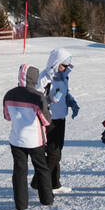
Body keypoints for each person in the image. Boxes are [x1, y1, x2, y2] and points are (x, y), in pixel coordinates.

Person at [3, 64, 53, 210]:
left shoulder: (9, 94)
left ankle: (21, 204)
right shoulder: (37, 96)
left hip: (16, 139)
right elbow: (46, 120)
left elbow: (7, 116)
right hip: (35, 140)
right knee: (41, 168)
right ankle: (46, 199)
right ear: (34, 79)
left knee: (19, 170)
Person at [35, 48, 79, 194]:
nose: (65, 68)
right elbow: (36, 99)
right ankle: (38, 182)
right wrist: (49, 100)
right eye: (63, 65)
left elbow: (66, 93)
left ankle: (55, 184)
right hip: (48, 120)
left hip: (61, 118)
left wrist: (71, 102)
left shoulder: (64, 77)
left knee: (58, 151)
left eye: (67, 66)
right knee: (53, 153)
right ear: (56, 62)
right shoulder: (45, 77)